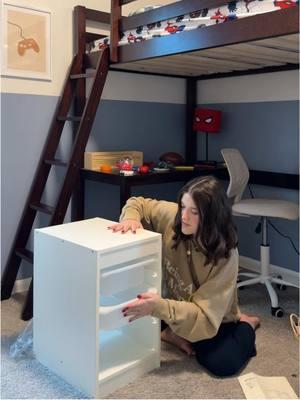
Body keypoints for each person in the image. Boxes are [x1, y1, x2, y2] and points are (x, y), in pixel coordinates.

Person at [108, 176, 260, 377]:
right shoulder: (174, 217)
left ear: (212, 216)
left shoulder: (226, 255)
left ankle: (247, 323)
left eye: (194, 212)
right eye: (183, 206)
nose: (184, 216)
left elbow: (204, 317)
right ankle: (172, 331)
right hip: (178, 307)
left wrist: (159, 307)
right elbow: (138, 202)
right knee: (134, 323)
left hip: (213, 318)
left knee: (221, 362)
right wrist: (130, 218)